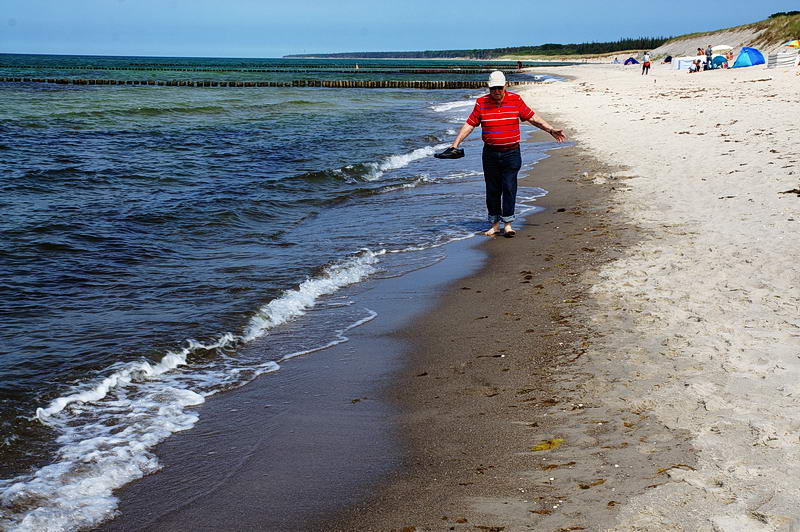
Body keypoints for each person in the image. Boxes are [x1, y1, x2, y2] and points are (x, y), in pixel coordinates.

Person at [446, 71, 566, 237]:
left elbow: (532, 117)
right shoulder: (481, 103)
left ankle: (508, 224)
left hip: (511, 153)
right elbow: (469, 124)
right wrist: (455, 145)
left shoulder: (515, 100)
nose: (496, 91)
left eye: (499, 88)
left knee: (509, 187)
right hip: (490, 154)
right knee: (493, 189)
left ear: (505, 86)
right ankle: (495, 225)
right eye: (493, 88)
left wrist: (550, 129)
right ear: (489, 88)